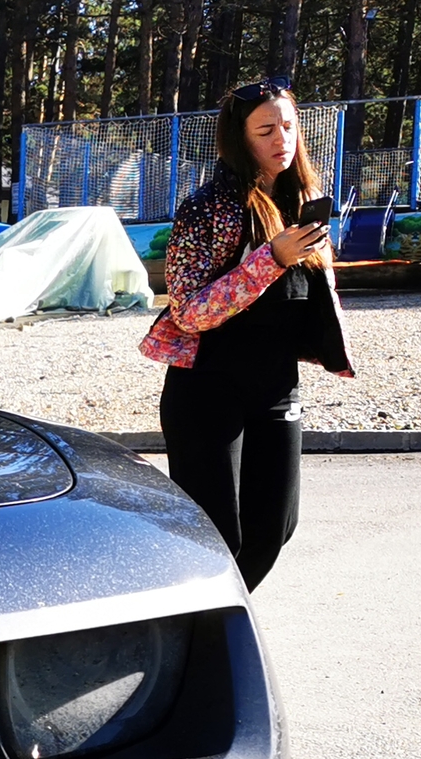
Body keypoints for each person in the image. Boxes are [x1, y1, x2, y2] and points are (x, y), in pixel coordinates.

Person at [140, 77, 354, 588]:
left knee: (275, 528)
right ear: (240, 138)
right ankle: (201, 642)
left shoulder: (304, 201)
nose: (282, 139)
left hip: (276, 385)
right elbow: (189, 310)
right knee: (216, 539)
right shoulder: (207, 207)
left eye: (288, 126)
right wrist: (270, 259)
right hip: (208, 389)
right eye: (266, 130)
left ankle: (213, 631)